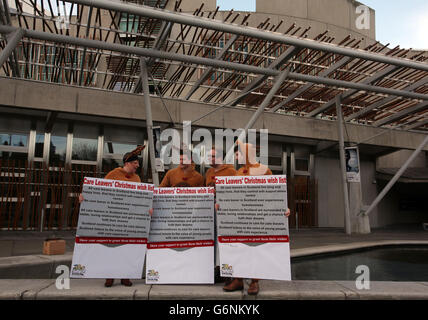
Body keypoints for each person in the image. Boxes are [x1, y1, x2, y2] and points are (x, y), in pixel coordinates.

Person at [221, 141, 290, 295]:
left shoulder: (264, 170)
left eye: (239, 153)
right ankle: (238, 280)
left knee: (256, 249)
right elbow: (232, 194)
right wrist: (222, 205)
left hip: (258, 217)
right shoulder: (239, 172)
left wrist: (284, 207)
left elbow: (275, 192)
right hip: (241, 217)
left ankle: (254, 281)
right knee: (239, 248)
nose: (237, 156)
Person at [78, 145, 151, 288]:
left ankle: (125, 276)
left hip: (129, 218)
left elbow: (139, 198)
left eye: (137, 163)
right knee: (111, 247)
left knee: (127, 248)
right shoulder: (113, 174)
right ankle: (109, 276)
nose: (138, 165)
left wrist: (146, 208)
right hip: (113, 217)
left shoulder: (136, 178)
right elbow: (101, 192)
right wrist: (85, 198)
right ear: (128, 163)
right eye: (135, 163)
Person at [205, 147, 237, 283]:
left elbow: (237, 189)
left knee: (224, 239)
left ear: (219, 157)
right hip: (211, 209)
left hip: (225, 209)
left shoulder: (231, 171)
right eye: (209, 156)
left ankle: (227, 271)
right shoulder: (209, 172)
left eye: (212, 156)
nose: (209, 159)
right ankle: (216, 268)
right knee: (212, 238)